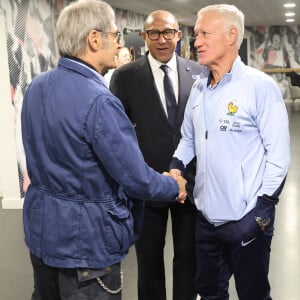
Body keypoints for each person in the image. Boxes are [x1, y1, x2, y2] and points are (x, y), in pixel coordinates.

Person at [20, 1, 188, 299]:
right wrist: (172, 185)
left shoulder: (37, 87)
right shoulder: (99, 101)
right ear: (95, 39)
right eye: (115, 35)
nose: (120, 43)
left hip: (42, 234)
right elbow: (135, 178)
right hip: (86, 243)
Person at [169, 4, 290, 300]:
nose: (196, 41)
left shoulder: (260, 87)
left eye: (205, 34)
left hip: (246, 220)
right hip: (206, 221)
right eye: (196, 34)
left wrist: (261, 214)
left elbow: (279, 157)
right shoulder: (198, 88)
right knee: (209, 293)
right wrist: (175, 168)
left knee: (253, 294)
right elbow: (188, 138)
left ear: (231, 35)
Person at [110, 10, 202, 300]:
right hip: (146, 186)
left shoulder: (198, 73)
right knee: (148, 262)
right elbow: (119, 135)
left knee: (189, 258)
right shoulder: (125, 77)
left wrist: (188, 177)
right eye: (153, 33)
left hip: (190, 183)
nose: (161, 40)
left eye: (167, 33)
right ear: (144, 36)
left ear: (178, 35)